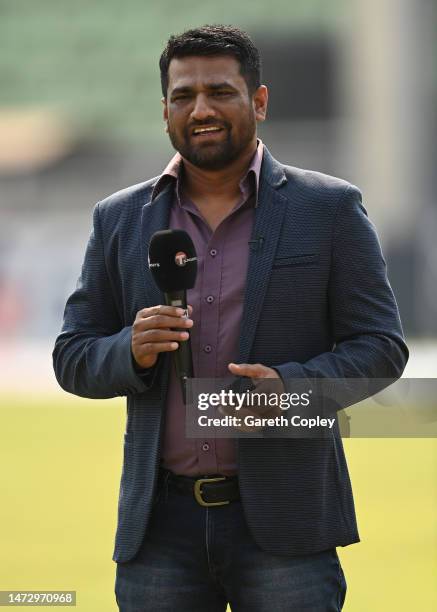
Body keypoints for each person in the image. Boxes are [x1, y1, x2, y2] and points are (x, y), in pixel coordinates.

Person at [53, 24, 408, 611]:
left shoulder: (329, 208)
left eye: (220, 91)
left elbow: (381, 347)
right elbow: (73, 357)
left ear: (259, 102)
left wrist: (294, 389)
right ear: (164, 110)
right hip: (159, 529)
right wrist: (131, 349)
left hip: (287, 527)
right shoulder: (119, 218)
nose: (201, 109)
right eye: (183, 96)